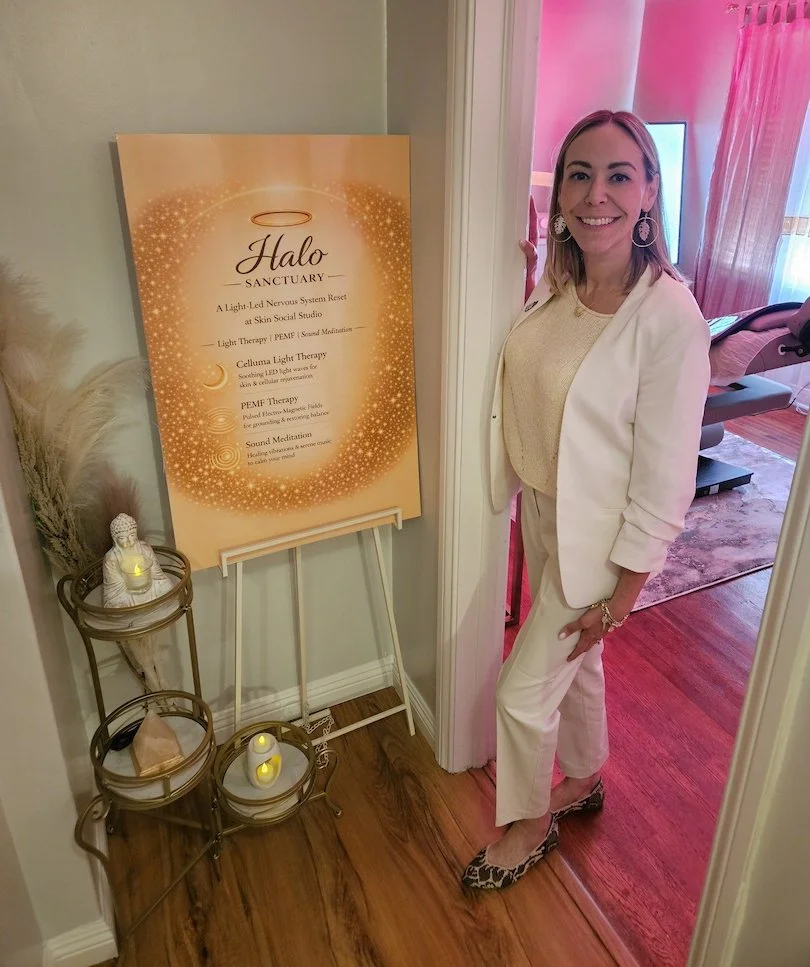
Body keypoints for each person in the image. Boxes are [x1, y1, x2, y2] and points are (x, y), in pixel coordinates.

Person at [462, 110, 710, 890]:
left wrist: (622, 597)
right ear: (562, 191)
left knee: (521, 690)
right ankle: (583, 775)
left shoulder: (669, 319)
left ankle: (529, 822)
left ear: (649, 192)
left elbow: (666, 479)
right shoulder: (561, 284)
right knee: (581, 665)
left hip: (598, 538)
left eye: (618, 175)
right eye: (580, 174)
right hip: (542, 509)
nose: (596, 194)